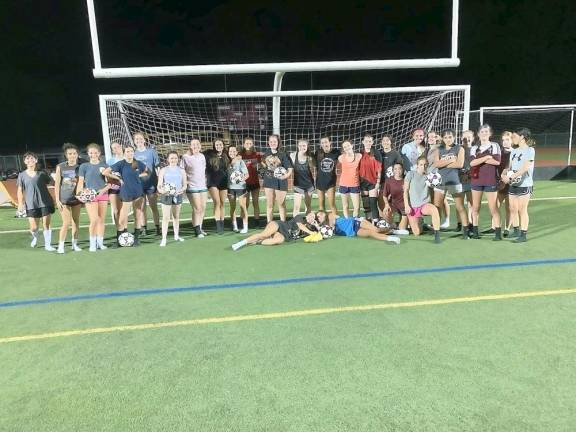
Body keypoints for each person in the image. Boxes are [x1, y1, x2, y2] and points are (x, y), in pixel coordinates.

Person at [103, 146, 148, 246]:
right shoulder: (121, 163)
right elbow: (105, 172)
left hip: (138, 192)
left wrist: (138, 176)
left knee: (138, 215)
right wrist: (118, 178)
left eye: (131, 151)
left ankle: (136, 239)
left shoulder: (137, 163)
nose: (130, 153)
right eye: (127, 151)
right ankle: (119, 240)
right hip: (126, 192)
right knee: (122, 217)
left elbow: (147, 172)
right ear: (124, 153)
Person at [433, 128, 469, 238]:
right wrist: (450, 160)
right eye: (445, 137)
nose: (448, 139)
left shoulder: (459, 148)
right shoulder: (438, 149)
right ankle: (436, 231)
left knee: (460, 207)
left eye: (450, 137)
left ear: (454, 137)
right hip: (441, 181)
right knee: (437, 206)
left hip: (454, 181)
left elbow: (459, 164)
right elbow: (436, 164)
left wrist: (443, 163)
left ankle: (466, 232)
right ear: (442, 138)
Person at [501, 127, 536, 243]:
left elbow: (525, 168)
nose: (512, 139)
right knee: (513, 208)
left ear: (522, 137)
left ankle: (523, 234)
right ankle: (515, 230)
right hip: (513, 184)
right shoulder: (514, 151)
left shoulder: (530, 150)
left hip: (524, 184)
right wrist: (504, 173)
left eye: (514, 137)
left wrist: (510, 177)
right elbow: (509, 166)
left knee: (522, 209)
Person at [16, 152, 56, 251]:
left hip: (45, 202)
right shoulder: (21, 175)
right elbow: (20, 190)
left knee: (46, 224)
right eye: (28, 159)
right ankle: (35, 237)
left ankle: (48, 245)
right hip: (31, 204)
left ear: (36, 160)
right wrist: (20, 204)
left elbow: (52, 182)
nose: (30, 161)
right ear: (24, 161)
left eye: (32, 158)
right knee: (34, 227)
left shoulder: (42, 173)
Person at [469, 124, 502, 240]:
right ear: (478, 134)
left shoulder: (495, 146)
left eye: (486, 132)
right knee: (475, 207)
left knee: (493, 208)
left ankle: (498, 234)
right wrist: (487, 157)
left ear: (490, 134)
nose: (484, 134)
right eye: (482, 132)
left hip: (490, 180)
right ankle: (475, 232)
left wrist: (480, 160)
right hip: (476, 181)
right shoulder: (474, 148)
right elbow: (472, 163)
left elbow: (497, 162)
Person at [78, 143, 110, 252]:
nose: (93, 154)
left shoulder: (104, 166)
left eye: (95, 152)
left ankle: (100, 243)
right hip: (90, 196)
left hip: (103, 195)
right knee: (94, 220)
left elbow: (110, 183)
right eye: (91, 153)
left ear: (99, 153)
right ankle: (92, 244)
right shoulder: (84, 166)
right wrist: (79, 194)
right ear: (88, 154)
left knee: (101, 220)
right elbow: (81, 182)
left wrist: (103, 191)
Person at [231, 212, 318, 250]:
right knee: (264, 234)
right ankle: (241, 243)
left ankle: (256, 242)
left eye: (313, 218)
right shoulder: (300, 218)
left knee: (279, 240)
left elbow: (320, 233)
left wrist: (316, 226)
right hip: (279, 225)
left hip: (283, 235)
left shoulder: (310, 229)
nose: (311, 217)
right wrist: (311, 232)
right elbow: (300, 225)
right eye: (310, 215)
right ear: (307, 215)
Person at [403, 156, 441, 243]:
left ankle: (437, 235)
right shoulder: (411, 174)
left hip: (424, 204)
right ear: (417, 165)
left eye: (425, 165)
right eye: (421, 164)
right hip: (413, 206)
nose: (423, 166)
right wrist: (406, 205)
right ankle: (421, 222)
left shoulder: (430, 177)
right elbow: (405, 191)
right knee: (417, 232)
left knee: (434, 210)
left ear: (427, 166)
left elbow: (432, 191)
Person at [53, 143, 82, 253]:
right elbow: (57, 184)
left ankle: (74, 244)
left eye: (74, 153)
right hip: (64, 199)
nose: (72, 155)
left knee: (76, 221)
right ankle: (61, 245)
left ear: (77, 154)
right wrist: (57, 199)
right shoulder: (61, 166)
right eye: (70, 154)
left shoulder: (81, 166)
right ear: (66, 155)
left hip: (76, 199)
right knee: (66, 222)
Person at [133, 132, 161, 235]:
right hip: (139, 185)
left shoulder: (151, 152)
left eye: (141, 139)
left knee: (153, 206)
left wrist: (159, 182)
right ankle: (144, 228)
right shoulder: (133, 153)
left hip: (151, 183)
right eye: (137, 139)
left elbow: (157, 167)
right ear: (134, 141)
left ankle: (158, 227)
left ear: (144, 140)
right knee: (141, 207)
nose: (139, 141)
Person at [261, 134, 293, 223]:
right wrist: (263, 171)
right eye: (271, 142)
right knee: (270, 205)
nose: (273, 143)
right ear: (268, 143)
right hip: (269, 181)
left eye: (274, 141)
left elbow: (290, 169)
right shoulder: (266, 153)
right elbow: (263, 165)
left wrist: (285, 176)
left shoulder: (283, 153)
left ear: (278, 142)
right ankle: (269, 224)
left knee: (281, 204)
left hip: (280, 182)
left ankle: (283, 224)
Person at [157, 151, 186, 246]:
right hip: (166, 196)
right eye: (171, 158)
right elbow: (159, 186)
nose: (173, 160)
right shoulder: (163, 170)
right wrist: (162, 191)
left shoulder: (181, 170)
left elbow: (184, 185)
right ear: (168, 159)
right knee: (166, 218)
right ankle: (164, 238)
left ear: (178, 159)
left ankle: (176, 235)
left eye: (175, 158)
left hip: (177, 195)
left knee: (176, 217)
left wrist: (181, 190)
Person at [315, 211, 400, 244]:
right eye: (318, 217)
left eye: (320, 215)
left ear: (324, 213)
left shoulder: (330, 215)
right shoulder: (323, 228)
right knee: (371, 233)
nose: (320, 217)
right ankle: (391, 236)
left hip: (355, 222)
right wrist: (317, 225)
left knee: (376, 229)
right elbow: (323, 234)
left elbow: (337, 218)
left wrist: (332, 225)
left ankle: (392, 230)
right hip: (353, 232)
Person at [181, 138, 208, 238]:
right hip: (192, 186)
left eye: (197, 144)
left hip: (202, 186)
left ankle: (200, 227)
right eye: (193, 144)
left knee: (203, 208)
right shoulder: (185, 157)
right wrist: (185, 181)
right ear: (190, 146)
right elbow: (182, 171)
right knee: (197, 208)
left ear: (200, 146)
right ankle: (197, 230)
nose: (196, 146)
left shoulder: (202, 156)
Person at [426, 131, 450, 229]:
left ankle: (446, 220)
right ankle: (436, 222)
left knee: (441, 200)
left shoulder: (440, 147)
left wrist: (441, 139)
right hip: (430, 178)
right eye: (429, 137)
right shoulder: (429, 150)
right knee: (434, 200)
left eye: (434, 136)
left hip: (439, 178)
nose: (431, 138)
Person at [206, 139, 230, 234]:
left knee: (222, 203)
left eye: (220, 144)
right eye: (216, 144)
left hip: (223, 183)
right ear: (214, 146)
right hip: (212, 183)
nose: (218, 146)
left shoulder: (226, 156)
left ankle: (222, 222)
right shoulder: (209, 155)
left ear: (223, 146)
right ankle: (218, 225)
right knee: (217, 202)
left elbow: (235, 156)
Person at [358, 134, 382, 222]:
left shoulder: (376, 153)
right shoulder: (359, 153)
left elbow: (379, 168)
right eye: (366, 141)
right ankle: (368, 220)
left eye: (370, 141)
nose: (368, 143)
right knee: (366, 203)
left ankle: (376, 221)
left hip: (373, 181)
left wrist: (378, 182)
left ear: (372, 142)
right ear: (363, 142)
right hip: (362, 182)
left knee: (373, 203)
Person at [240, 137, 263, 227]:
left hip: (255, 182)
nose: (248, 145)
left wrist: (262, 171)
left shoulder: (257, 155)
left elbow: (262, 165)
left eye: (250, 143)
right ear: (244, 144)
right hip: (244, 183)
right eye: (246, 143)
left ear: (252, 144)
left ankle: (256, 221)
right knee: (245, 203)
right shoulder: (240, 155)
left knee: (255, 202)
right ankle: (243, 221)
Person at [314, 136, 339, 215]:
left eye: (326, 142)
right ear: (320, 144)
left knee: (332, 205)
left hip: (330, 182)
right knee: (321, 206)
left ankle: (337, 224)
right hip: (320, 181)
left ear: (330, 142)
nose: (324, 144)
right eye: (322, 143)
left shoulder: (336, 152)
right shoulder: (318, 152)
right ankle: (323, 224)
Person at [227, 145, 250, 233]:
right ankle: (235, 226)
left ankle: (245, 227)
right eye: (230, 151)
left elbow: (247, 175)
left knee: (242, 206)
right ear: (228, 152)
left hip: (241, 187)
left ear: (237, 152)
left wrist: (240, 179)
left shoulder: (240, 161)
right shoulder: (226, 162)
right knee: (232, 207)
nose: (232, 153)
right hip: (230, 188)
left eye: (234, 151)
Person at [290, 138, 315, 217]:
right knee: (296, 207)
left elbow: (314, 166)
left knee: (308, 206)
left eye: (304, 145)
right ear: (297, 146)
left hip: (309, 185)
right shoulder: (293, 156)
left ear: (307, 146)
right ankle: (295, 225)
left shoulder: (310, 157)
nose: (302, 147)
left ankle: (308, 223)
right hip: (298, 185)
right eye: (300, 145)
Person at [381, 162, 408, 232]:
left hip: (405, 207)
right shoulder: (389, 181)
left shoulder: (407, 180)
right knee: (386, 212)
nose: (398, 171)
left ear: (403, 170)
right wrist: (387, 205)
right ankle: (392, 224)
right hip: (394, 205)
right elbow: (384, 195)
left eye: (400, 169)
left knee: (402, 229)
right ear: (393, 171)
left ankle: (409, 221)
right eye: (395, 169)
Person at [497, 131, 515, 237]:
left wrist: (507, 178)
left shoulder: (515, 153)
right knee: (495, 206)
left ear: (512, 140)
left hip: (510, 183)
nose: (505, 142)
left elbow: (510, 168)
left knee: (509, 207)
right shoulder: (499, 153)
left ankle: (507, 228)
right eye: (503, 140)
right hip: (499, 183)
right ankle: (495, 227)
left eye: (507, 139)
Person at [338, 140, 361, 218]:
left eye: (348, 145)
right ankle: (347, 222)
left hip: (354, 185)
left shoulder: (359, 156)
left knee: (357, 207)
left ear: (352, 145)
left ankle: (355, 222)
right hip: (343, 185)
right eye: (344, 147)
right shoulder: (341, 157)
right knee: (345, 206)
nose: (346, 148)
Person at [458, 130, 475, 233]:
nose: (467, 139)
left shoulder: (476, 150)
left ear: (473, 138)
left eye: (469, 137)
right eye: (464, 137)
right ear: (461, 138)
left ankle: (471, 224)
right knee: (459, 204)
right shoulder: (458, 149)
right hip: (459, 180)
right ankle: (460, 224)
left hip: (471, 180)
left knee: (471, 203)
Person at [106, 141, 124, 229]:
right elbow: (106, 174)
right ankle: (119, 230)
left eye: (118, 146)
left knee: (124, 209)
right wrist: (117, 178)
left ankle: (124, 228)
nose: (117, 149)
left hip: (126, 187)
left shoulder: (128, 158)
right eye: (114, 148)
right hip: (114, 186)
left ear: (121, 146)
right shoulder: (110, 161)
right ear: (113, 151)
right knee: (116, 210)